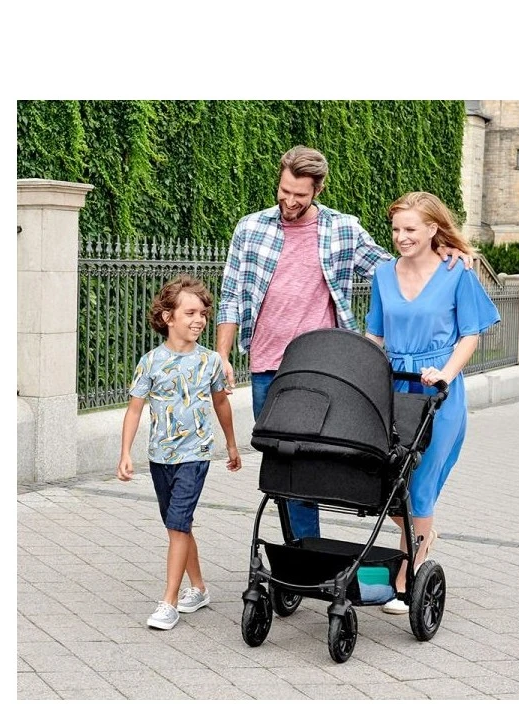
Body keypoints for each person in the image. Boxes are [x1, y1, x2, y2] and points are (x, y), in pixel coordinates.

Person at [216, 145, 472, 539]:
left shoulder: (342, 229)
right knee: (283, 467)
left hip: (322, 369)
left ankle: (389, 535)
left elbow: (395, 267)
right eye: (284, 191)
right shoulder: (250, 229)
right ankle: (303, 551)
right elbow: (231, 295)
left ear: (317, 190)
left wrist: (441, 249)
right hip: (267, 367)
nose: (290, 201)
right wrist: (223, 354)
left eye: (300, 195)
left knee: (322, 464)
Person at [364, 191, 501, 614]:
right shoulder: (383, 274)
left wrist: (446, 372)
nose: (401, 237)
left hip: (437, 393)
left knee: (420, 485)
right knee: (384, 484)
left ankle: (407, 576)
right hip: (393, 389)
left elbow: (471, 334)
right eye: (395, 229)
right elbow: (375, 335)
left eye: (410, 229)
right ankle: (422, 536)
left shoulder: (457, 272)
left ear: (432, 229)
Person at [117, 274, 242, 630]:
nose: (199, 320)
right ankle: (199, 588)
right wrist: (125, 453)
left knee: (177, 524)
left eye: (203, 313)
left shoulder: (211, 362)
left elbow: (221, 403)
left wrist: (231, 444)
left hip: (195, 454)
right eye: (190, 313)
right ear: (168, 317)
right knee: (179, 526)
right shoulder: (150, 362)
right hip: (160, 457)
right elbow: (134, 409)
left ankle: (168, 602)